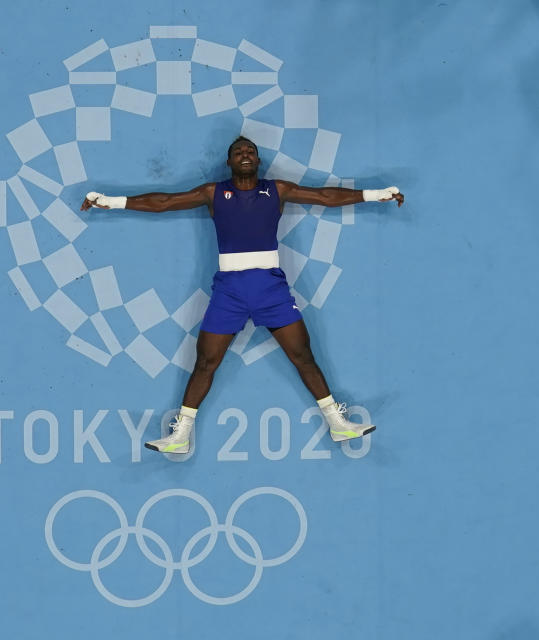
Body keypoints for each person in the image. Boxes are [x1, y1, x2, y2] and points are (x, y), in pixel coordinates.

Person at [80, 136, 404, 454]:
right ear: (229, 162)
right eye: (238, 151)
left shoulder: (278, 190)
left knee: (303, 356)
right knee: (205, 362)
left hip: (270, 290)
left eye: (251, 150)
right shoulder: (213, 193)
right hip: (229, 293)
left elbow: (325, 196)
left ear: (258, 161)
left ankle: (337, 424)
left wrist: (376, 194)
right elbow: (164, 202)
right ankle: (180, 435)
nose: (245, 154)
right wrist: (110, 201)